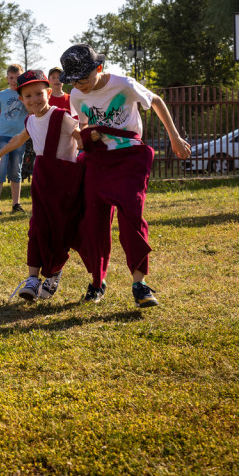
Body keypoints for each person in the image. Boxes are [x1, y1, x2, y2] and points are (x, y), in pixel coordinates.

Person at [60, 44, 190, 307]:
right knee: (95, 221)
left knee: (132, 218)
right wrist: (87, 135)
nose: (79, 85)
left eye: (83, 78)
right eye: (73, 80)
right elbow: (83, 124)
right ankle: (97, 282)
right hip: (98, 160)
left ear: (99, 68)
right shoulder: (76, 94)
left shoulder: (124, 84)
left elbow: (156, 101)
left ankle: (140, 284)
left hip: (130, 158)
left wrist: (174, 138)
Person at [0, 70, 83, 303]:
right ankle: (32, 279)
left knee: (59, 230)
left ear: (49, 93)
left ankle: (54, 272)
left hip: (64, 182)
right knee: (37, 228)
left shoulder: (61, 116)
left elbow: (79, 137)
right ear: (21, 100)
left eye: (39, 94)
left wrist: (88, 133)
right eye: (28, 96)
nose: (34, 100)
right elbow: (17, 140)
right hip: (43, 182)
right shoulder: (30, 121)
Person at [0, 64, 29, 215]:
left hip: (19, 137)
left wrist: (23, 99)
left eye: (17, 78)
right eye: (11, 78)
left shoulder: (25, 93)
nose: (14, 81)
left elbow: (31, 111)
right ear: (7, 78)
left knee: (16, 171)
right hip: (2, 136)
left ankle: (16, 204)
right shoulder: (2, 95)